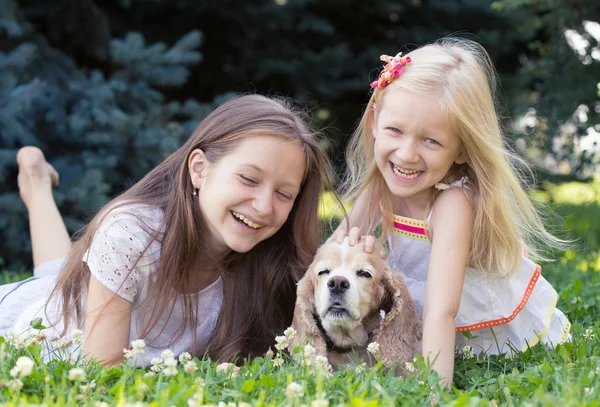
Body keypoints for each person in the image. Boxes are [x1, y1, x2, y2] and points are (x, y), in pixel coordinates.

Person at [0, 94, 334, 366]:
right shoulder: (130, 233)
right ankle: (36, 183)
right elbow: (100, 375)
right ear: (199, 169)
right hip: (40, 321)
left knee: (57, 271)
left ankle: (36, 182)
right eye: (248, 178)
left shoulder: (273, 262)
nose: (263, 206)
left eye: (283, 194)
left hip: (85, 287)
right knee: (51, 284)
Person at [334, 38, 571, 386]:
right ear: (374, 121)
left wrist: (434, 390)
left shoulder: (452, 202)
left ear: (461, 149)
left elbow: (442, 310)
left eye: (431, 141)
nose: (407, 154)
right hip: (417, 309)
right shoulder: (378, 184)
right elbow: (332, 258)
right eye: (395, 130)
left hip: (459, 317)